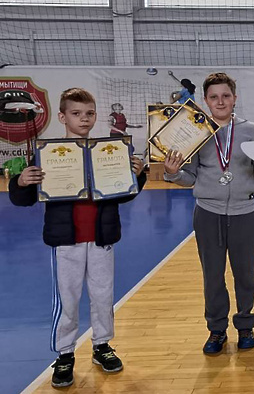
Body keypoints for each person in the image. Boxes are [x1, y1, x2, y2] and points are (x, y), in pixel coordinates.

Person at [9, 88, 147, 388]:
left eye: (89, 113)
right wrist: (21, 182)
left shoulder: (107, 152)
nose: (83, 119)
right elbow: (24, 199)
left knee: (103, 296)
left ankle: (102, 345)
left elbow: (123, 194)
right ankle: (65, 354)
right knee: (68, 300)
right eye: (76, 113)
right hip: (65, 241)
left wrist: (137, 175)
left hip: (101, 238)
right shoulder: (47, 154)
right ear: (62, 117)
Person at [164, 72, 254, 354]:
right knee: (213, 277)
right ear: (206, 101)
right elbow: (189, 176)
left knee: (245, 275)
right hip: (208, 213)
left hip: (244, 213)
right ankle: (217, 330)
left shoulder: (249, 130)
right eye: (214, 97)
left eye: (225, 96)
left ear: (234, 98)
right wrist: (172, 173)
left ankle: (245, 325)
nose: (220, 101)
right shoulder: (197, 131)